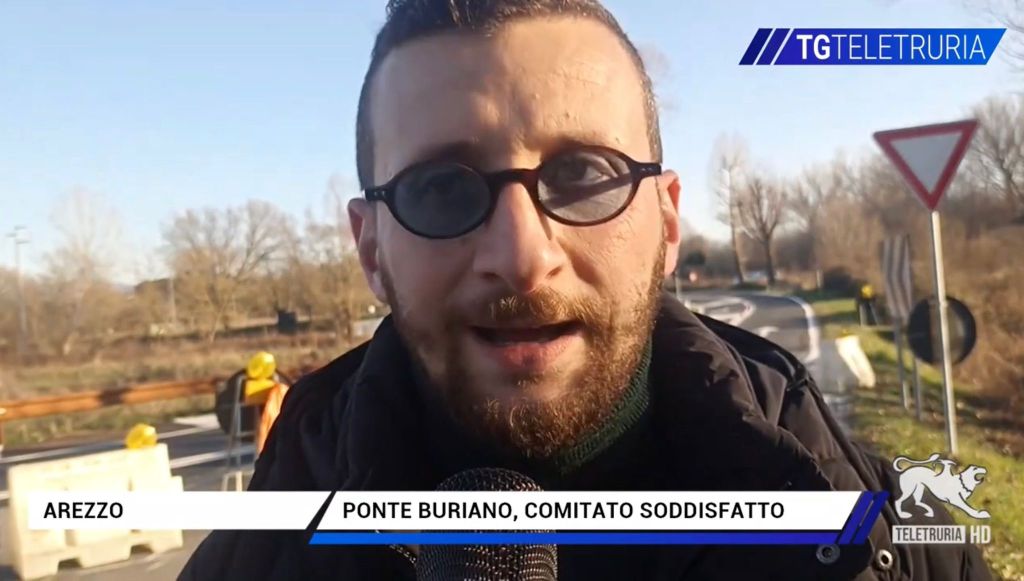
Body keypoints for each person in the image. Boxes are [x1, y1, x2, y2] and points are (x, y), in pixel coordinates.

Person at [181, 1, 991, 579]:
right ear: (369, 246)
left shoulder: (894, 543)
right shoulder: (256, 560)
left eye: (582, 174)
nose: (522, 257)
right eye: (439, 188)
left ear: (666, 222)